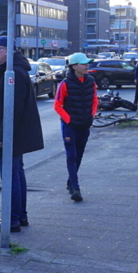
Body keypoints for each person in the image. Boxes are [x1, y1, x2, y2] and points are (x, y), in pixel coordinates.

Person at [0, 37, 44, 232]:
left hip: (11, 135)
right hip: (14, 133)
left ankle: (12, 219)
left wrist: (3, 134)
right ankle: (19, 216)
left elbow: (13, 108)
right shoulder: (13, 70)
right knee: (16, 174)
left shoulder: (13, 73)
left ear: (7, 50)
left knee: (10, 176)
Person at [53, 53, 99, 202]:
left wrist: (91, 115)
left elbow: (94, 100)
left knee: (79, 155)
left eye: (87, 63)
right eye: (83, 64)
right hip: (70, 126)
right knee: (71, 156)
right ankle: (76, 188)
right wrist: (69, 120)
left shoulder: (91, 81)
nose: (87, 66)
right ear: (74, 67)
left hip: (85, 125)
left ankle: (70, 182)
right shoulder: (65, 84)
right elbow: (58, 105)